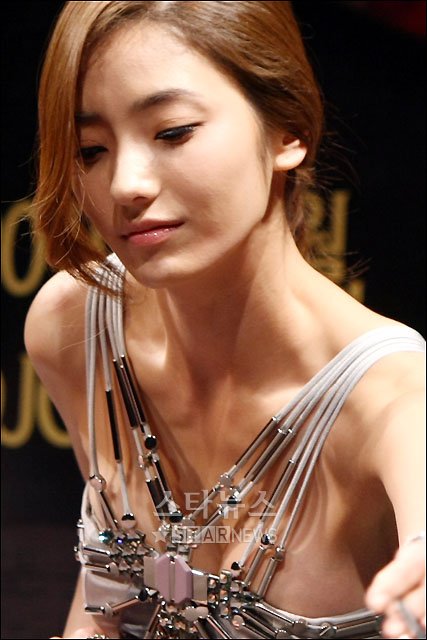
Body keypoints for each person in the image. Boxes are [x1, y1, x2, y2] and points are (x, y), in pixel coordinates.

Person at [24, 2, 425, 639]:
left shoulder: (393, 397)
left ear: (288, 131)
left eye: (173, 132)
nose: (125, 184)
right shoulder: (74, 324)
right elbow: (105, 600)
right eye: (91, 150)